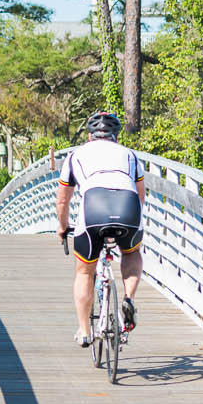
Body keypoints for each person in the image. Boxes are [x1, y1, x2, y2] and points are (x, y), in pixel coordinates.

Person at [56, 112, 145, 347]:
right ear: (116, 135)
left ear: (89, 135)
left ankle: (85, 331)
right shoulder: (130, 155)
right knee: (132, 252)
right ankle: (128, 298)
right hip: (128, 206)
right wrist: (134, 223)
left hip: (93, 208)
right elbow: (141, 195)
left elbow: (63, 200)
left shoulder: (76, 155)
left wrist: (63, 226)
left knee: (85, 272)